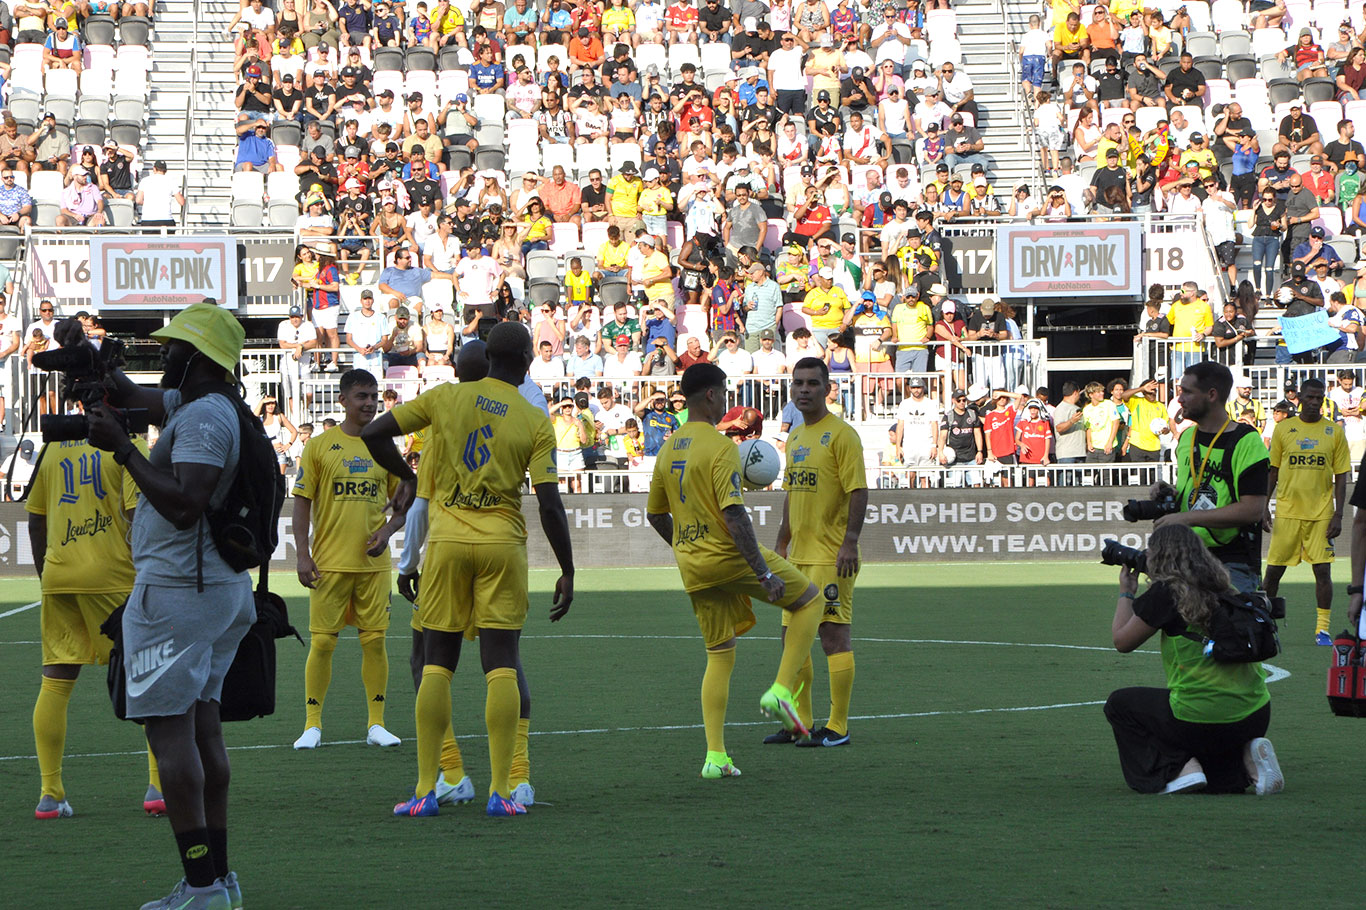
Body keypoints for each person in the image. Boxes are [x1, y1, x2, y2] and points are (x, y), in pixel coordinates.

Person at [362, 322, 576, 819]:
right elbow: (550, 504)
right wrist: (567, 569)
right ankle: (501, 792)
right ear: (526, 359)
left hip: (449, 542)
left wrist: (408, 476)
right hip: (502, 544)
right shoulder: (533, 419)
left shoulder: (444, 398)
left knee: (436, 662)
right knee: (502, 661)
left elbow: (374, 432)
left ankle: (425, 791)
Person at [84, 303, 258, 909]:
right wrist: (103, 371)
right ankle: (219, 879)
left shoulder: (207, 417)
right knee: (204, 728)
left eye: (176, 348)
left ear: (201, 359)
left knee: (171, 737)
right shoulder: (211, 404)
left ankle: (202, 886)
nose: (166, 355)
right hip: (212, 592)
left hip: (182, 593)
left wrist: (124, 450)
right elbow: (142, 399)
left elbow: (186, 503)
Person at [645, 362, 822, 778]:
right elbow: (735, 515)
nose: (726, 401)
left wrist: (686, 547)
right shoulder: (721, 446)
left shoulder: (668, 447)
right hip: (728, 556)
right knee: (810, 602)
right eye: (724, 393)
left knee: (719, 655)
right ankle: (781, 690)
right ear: (710, 395)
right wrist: (763, 572)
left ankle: (715, 756)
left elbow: (655, 515)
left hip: (692, 565)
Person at [28, 429, 165, 820]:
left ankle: (49, 794)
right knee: (149, 678)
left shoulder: (53, 446)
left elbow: (36, 522)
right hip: (114, 577)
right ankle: (158, 787)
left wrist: (46, 576)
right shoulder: (126, 443)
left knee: (55, 679)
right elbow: (140, 519)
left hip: (59, 575)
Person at [1105, 524, 1283, 796]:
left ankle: (1179, 768)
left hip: (1199, 717)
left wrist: (1126, 591)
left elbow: (1122, 641)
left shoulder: (1167, 593)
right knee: (1220, 783)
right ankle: (1249, 755)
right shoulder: (1226, 586)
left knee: (1120, 704)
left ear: (1161, 557)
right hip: (1256, 714)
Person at [291, 369, 404, 752]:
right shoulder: (320, 446)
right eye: (361, 396)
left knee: (374, 643)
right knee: (322, 644)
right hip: (329, 564)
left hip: (373, 567)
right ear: (342, 400)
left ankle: (376, 724)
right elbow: (302, 502)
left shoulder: (386, 447)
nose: (370, 403)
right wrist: (302, 555)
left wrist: (387, 532)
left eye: (373, 396)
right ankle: (312, 725)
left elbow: (404, 505)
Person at [770, 357, 867, 746]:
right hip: (798, 558)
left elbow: (858, 490)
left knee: (832, 637)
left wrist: (850, 542)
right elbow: (793, 493)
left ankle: (838, 726)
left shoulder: (842, 435)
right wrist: (781, 541)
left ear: (828, 389)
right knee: (792, 640)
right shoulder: (794, 437)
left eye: (812, 383)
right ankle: (801, 722)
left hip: (831, 557)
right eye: (798, 384)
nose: (804, 390)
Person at [1154, 361, 1270, 594]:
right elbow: (1192, 490)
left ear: (1212, 395)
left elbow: (1252, 509)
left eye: (1187, 392)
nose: (1180, 400)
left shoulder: (1246, 440)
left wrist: (1187, 518)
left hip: (1231, 561)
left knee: (1228, 629)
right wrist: (1169, 492)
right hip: (1185, 555)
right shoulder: (1186, 437)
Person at [1261, 378, 1351, 645]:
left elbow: (1342, 476)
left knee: (1322, 572)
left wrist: (1338, 514)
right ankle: (1265, 625)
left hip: (1321, 514)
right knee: (1273, 573)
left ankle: (1322, 629)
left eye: (1319, 398)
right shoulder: (1284, 429)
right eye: (1309, 397)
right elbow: (1273, 470)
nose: (1314, 402)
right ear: (1298, 397)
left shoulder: (1334, 432)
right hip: (1287, 512)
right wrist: (1263, 504)